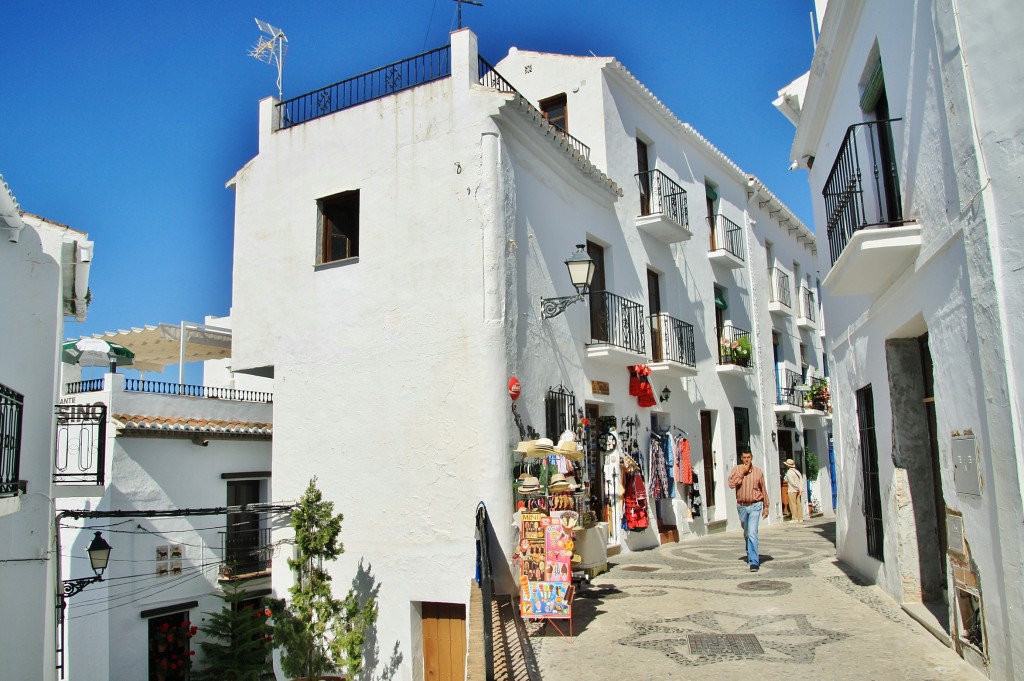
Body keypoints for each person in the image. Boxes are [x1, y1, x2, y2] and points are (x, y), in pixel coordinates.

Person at [727, 450, 770, 571]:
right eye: (744, 457)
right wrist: (742, 473)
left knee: (752, 532)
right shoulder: (736, 470)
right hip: (742, 506)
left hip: (756, 504)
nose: (747, 460)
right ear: (741, 458)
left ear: (752, 458)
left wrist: (766, 506)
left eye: (749, 457)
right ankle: (749, 552)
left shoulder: (758, 472)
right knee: (747, 533)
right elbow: (731, 484)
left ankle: (754, 561)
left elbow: (763, 489)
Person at [785, 458, 805, 523]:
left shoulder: (789, 472)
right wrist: (800, 488)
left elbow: (792, 482)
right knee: (798, 503)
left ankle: (795, 518)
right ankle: (800, 518)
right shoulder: (797, 471)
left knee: (792, 504)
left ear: (788, 465)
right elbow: (801, 480)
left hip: (792, 490)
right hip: (798, 490)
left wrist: (797, 487)